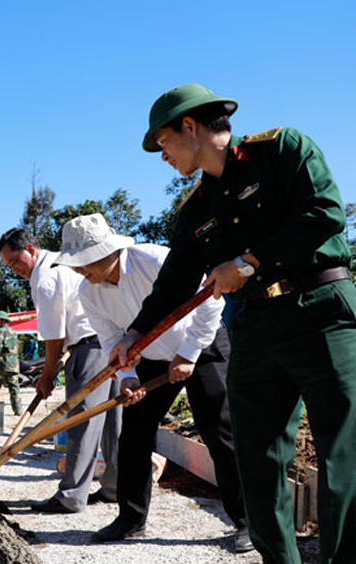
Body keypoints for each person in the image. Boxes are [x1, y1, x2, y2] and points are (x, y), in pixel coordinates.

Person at [109, 84, 356, 564]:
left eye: (162, 143)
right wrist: (136, 335)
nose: (162, 157)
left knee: (342, 454)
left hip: (321, 311)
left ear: (190, 126)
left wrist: (248, 260)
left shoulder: (282, 149)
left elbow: (323, 213)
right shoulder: (197, 208)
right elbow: (174, 282)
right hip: (256, 328)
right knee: (256, 461)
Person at [53, 213, 250, 552]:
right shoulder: (89, 293)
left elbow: (208, 303)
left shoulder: (154, 260)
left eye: (81, 263)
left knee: (218, 429)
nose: (77, 271)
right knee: (134, 432)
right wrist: (127, 378)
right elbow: (112, 340)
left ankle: (248, 521)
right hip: (152, 358)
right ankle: (130, 519)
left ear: (103, 253)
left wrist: (188, 355)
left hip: (201, 345)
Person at [0, 227, 120, 513]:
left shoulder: (45, 277)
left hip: (90, 349)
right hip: (112, 343)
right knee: (114, 419)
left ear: (29, 248)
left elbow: (54, 336)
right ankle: (115, 487)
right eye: (8, 266)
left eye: (15, 261)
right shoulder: (66, 261)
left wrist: (48, 375)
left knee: (83, 421)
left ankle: (71, 496)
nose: (14, 270)